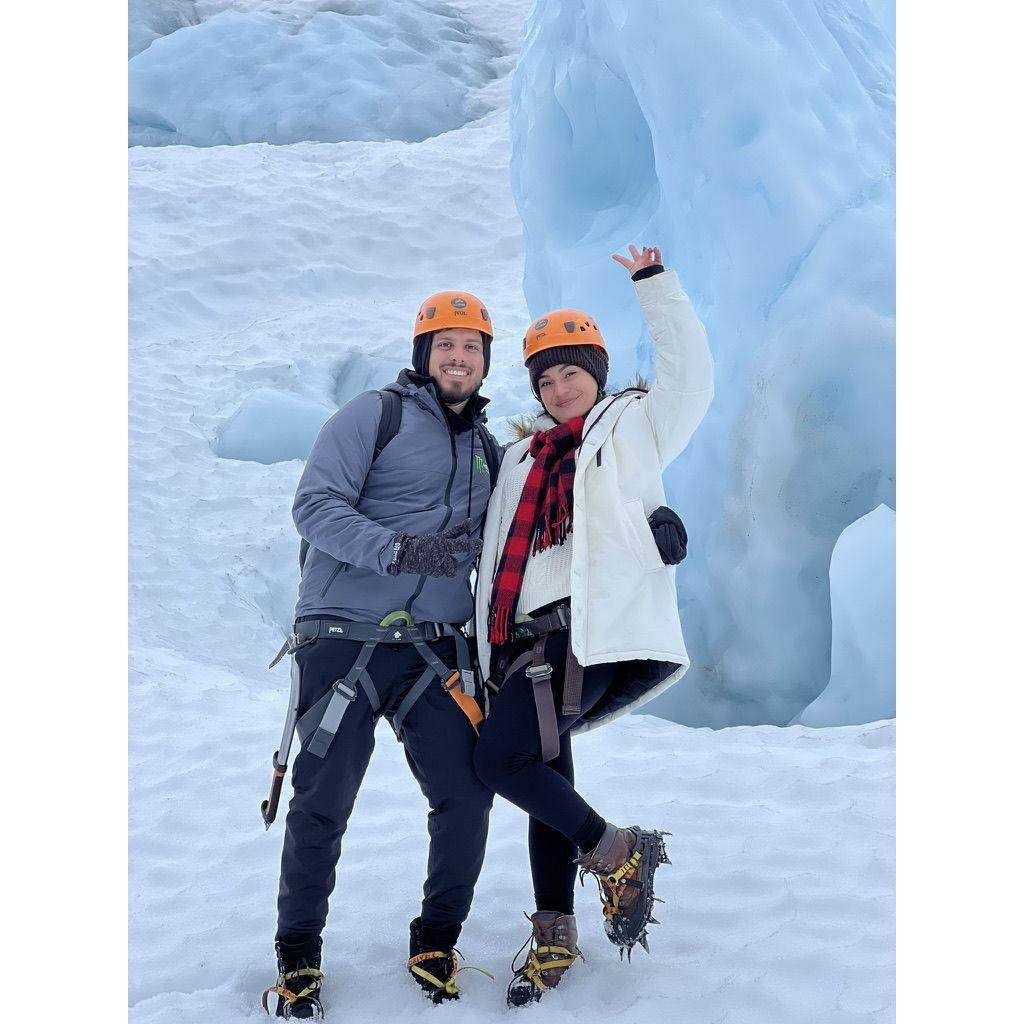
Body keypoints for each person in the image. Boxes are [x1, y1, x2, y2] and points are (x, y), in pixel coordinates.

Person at [472, 245, 713, 1005]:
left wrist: (655, 286)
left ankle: (618, 853)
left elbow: (691, 379)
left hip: (589, 630)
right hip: (521, 641)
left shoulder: (633, 426)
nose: (559, 386)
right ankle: (554, 936)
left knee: (500, 762)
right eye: (546, 378)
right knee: (544, 775)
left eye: (572, 371)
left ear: (598, 373)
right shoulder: (519, 458)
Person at [262, 291, 504, 1019]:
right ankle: (298, 955)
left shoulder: (488, 452)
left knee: (466, 796)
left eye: (472, 347)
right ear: (423, 354)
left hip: (432, 652)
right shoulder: (374, 415)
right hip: (342, 639)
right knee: (323, 803)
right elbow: (315, 506)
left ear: (485, 360)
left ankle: (437, 938)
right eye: (445, 345)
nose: (458, 357)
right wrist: (399, 549)